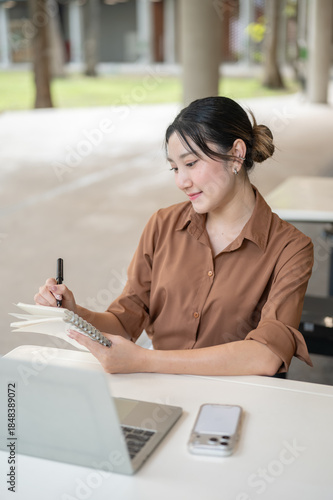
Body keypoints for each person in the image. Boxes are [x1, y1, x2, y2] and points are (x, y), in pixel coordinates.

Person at [35, 96, 314, 377]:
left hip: (237, 404)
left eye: (191, 163)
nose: (181, 181)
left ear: (237, 154)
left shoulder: (291, 249)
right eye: (175, 168)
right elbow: (124, 323)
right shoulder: (163, 225)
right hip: (161, 394)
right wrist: (73, 313)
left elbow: (265, 356)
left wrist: (143, 361)